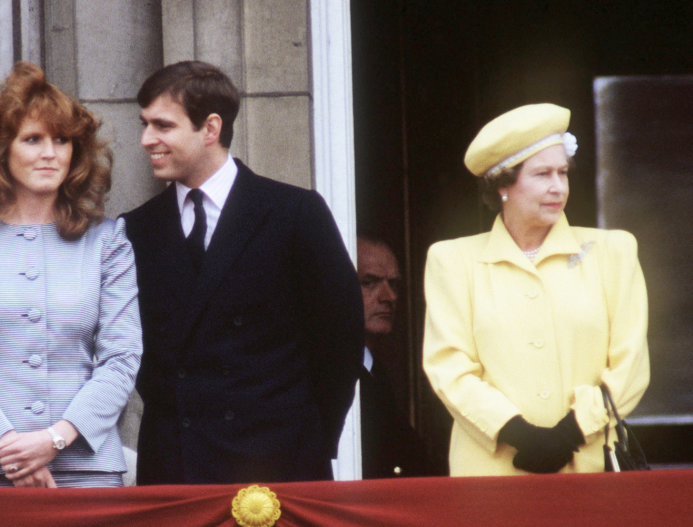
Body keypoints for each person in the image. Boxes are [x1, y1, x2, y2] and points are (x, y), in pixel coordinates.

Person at [122, 61, 364, 485]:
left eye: (162, 125)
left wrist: (307, 441)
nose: (146, 140)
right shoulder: (136, 228)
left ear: (210, 129)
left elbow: (340, 340)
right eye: (144, 125)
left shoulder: (294, 213)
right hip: (174, 468)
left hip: (277, 464)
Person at [0, 62, 142, 488]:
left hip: (85, 470)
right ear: (2, 150)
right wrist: (10, 447)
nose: (50, 153)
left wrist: (54, 439)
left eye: (62, 140)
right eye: (33, 139)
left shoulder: (108, 242)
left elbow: (121, 358)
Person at [422, 103, 650, 476]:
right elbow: (449, 367)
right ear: (502, 184)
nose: (558, 187)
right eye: (542, 174)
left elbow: (630, 365)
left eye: (563, 173)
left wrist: (570, 432)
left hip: (589, 467)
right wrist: (518, 433)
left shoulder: (613, 252)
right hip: (491, 475)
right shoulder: (452, 261)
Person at [357, 236, 439, 478]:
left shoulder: (375, 371)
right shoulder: (320, 374)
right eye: (369, 282)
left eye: (394, 284)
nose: (389, 297)